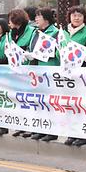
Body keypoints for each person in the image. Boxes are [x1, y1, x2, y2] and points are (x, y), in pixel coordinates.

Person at [62, 6, 86, 147]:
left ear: (84, 17)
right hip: (67, 73)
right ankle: (71, 133)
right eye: (74, 15)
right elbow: (60, 48)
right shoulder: (64, 32)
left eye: (79, 15)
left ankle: (82, 136)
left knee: (80, 105)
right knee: (69, 105)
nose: (76, 18)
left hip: (82, 73)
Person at [28, 8, 61, 141]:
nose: (36, 19)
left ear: (46, 19)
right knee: (40, 102)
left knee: (50, 103)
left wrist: (38, 53)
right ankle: (42, 128)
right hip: (37, 71)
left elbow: (57, 51)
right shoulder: (36, 32)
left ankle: (52, 131)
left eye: (38, 17)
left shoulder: (55, 32)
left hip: (49, 71)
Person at [7, 9, 37, 137]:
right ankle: (21, 126)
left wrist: (24, 52)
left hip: (28, 69)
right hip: (16, 69)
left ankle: (32, 127)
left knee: (30, 100)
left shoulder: (31, 31)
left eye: (10, 20)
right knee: (19, 100)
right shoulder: (11, 33)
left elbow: (32, 47)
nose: (9, 23)